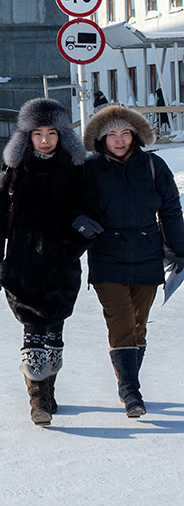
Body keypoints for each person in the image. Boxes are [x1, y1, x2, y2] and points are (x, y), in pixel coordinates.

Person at [0, 98, 89, 426]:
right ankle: (37, 400)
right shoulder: (14, 172)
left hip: (62, 264)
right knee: (33, 333)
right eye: (37, 133)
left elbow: (92, 213)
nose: (44, 139)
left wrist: (73, 244)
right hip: (23, 263)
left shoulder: (76, 170)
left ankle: (49, 391)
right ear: (26, 135)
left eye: (51, 133)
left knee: (54, 334)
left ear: (61, 135)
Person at [79, 104, 184, 418]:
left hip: (148, 256)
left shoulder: (153, 166)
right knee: (122, 324)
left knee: (139, 326)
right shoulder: (90, 169)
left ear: (135, 134)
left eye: (125, 133)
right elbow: (73, 206)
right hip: (107, 257)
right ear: (102, 138)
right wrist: (80, 222)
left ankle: (128, 380)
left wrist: (180, 249)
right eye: (113, 134)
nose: (120, 139)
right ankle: (131, 393)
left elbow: (170, 210)